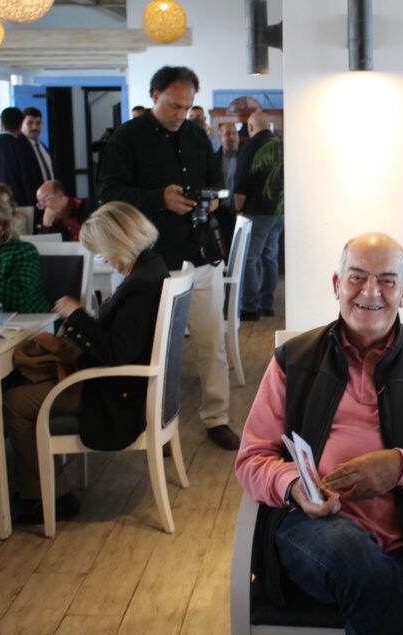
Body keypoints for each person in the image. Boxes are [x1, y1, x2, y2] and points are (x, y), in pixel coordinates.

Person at [236, 232, 403, 635]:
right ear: (336, 284)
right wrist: (294, 486)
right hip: (310, 532)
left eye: (387, 280)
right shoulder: (294, 360)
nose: (371, 292)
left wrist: (401, 466)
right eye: (357, 277)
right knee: (349, 548)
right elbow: (252, 458)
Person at [99, 65, 240, 450]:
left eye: (187, 106)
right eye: (174, 106)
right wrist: (158, 198)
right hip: (152, 261)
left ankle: (217, 417)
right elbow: (108, 194)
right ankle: (155, 422)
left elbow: (216, 182)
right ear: (155, 95)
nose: (181, 114)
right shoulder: (127, 137)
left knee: (212, 342)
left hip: (200, 253)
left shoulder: (196, 135)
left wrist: (214, 198)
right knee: (157, 348)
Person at [4, 202, 170, 524]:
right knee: (24, 385)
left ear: (118, 242)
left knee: (15, 401)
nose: (103, 258)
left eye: (103, 251)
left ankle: (50, 496)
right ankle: (42, 486)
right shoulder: (152, 268)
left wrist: (76, 314)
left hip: (117, 396)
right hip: (122, 386)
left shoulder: (141, 284)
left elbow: (115, 352)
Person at [234, 111, 283, 320]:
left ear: (251, 127)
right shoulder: (280, 145)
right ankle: (266, 304)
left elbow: (241, 181)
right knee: (270, 258)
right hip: (279, 211)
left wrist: (238, 209)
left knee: (249, 259)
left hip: (256, 210)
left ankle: (250, 307)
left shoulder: (251, 146)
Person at [0, 107, 41, 207]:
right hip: (19, 205)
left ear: (1, 123)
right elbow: (29, 180)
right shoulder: (23, 147)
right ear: (21, 125)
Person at [215, 121, 240, 253]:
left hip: (241, 211)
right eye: (227, 134)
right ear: (220, 138)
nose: (232, 137)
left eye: (234, 133)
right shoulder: (214, 159)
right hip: (221, 211)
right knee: (223, 249)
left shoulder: (245, 156)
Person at [21, 107, 55, 184]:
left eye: (38, 123)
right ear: (21, 125)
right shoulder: (18, 149)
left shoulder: (43, 147)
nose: (34, 127)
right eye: (29, 123)